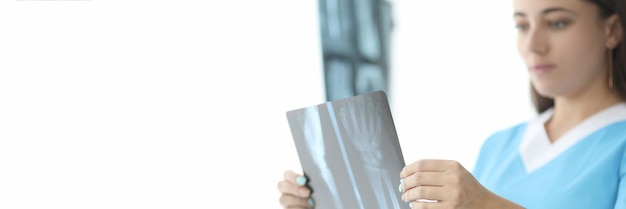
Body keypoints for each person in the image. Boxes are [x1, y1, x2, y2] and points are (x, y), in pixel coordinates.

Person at [277, 0, 626, 208]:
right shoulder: (499, 146)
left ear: (612, 30)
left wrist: (488, 206)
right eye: (521, 25)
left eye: (557, 22)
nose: (533, 44)